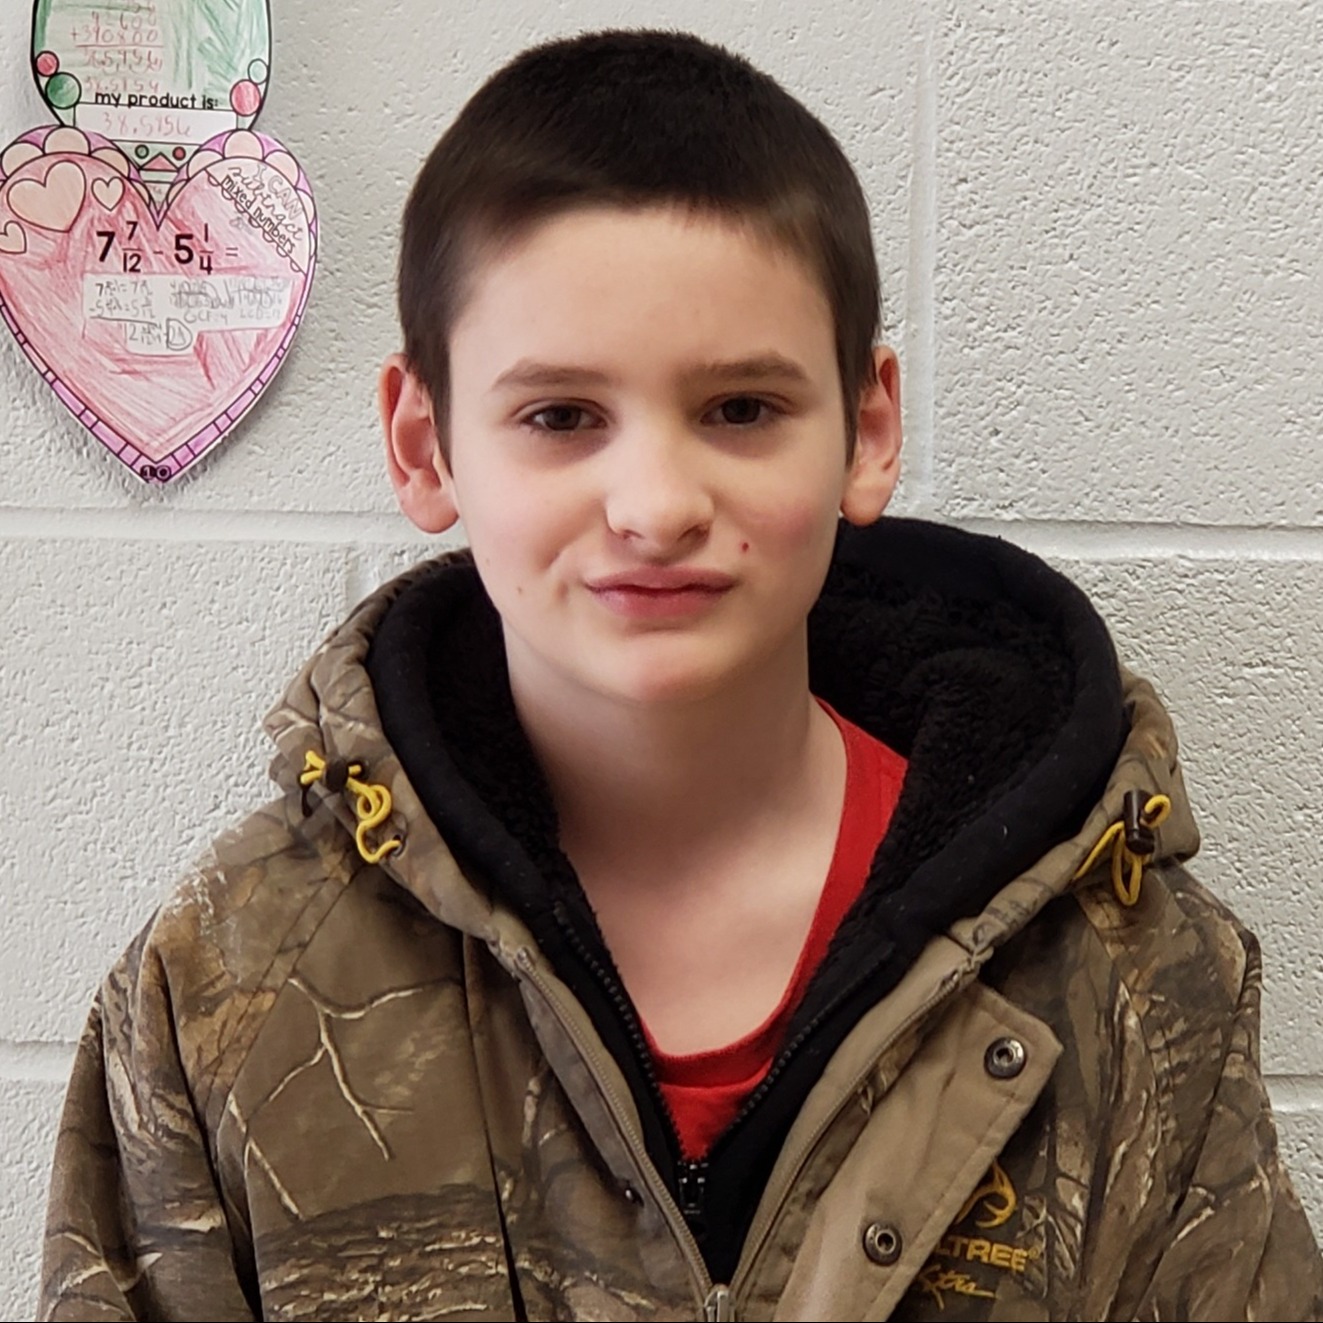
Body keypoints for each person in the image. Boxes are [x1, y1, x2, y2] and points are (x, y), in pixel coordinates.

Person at [39, 29, 1322, 1323]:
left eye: (741, 411)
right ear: (425, 446)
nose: (654, 506)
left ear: (867, 432)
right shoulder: (227, 988)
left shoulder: (1132, 975)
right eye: (560, 418)